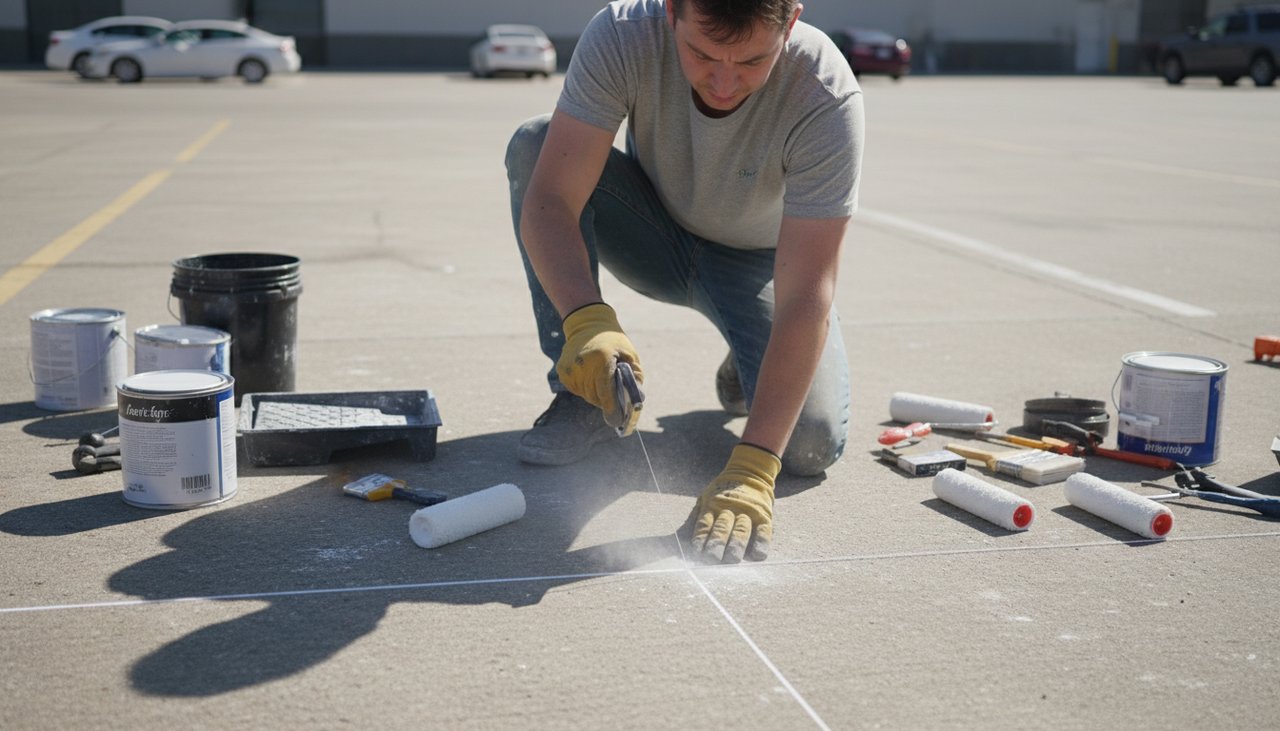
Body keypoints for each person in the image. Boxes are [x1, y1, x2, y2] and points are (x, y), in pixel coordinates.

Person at [504, 0, 863, 564]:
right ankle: (582, 385)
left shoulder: (824, 94)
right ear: (672, 9)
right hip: (653, 230)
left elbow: (804, 298)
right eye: (700, 54)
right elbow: (550, 201)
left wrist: (754, 465)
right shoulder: (623, 35)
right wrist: (585, 320)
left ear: (789, 23)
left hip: (759, 268)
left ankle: (752, 362)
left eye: (750, 61)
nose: (723, 82)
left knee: (810, 445)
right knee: (534, 144)